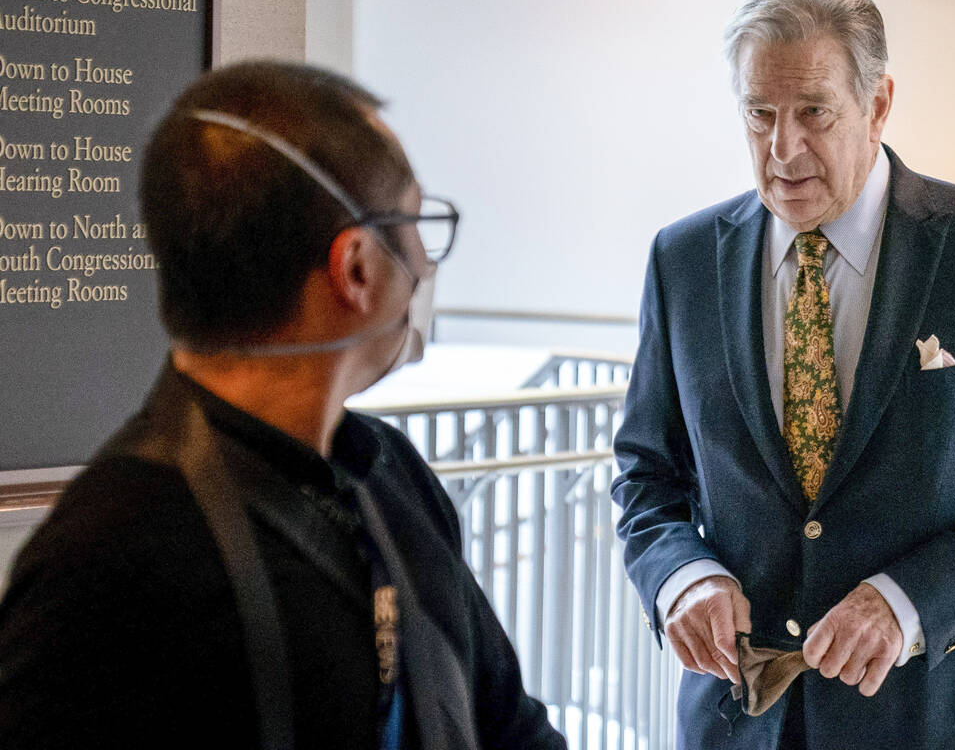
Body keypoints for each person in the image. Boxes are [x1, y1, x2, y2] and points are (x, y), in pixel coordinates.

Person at [0, 61, 566, 750]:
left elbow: (509, 725)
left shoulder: (393, 477)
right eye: (415, 222)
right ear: (356, 267)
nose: (426, 260)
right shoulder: (105, 558)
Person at [611, 0, 955, 750]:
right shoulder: (680, 261)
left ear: (878, 104)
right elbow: (646, 476)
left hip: (950, 717)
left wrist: (906, 602)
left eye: (814, 113)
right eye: (759, 115)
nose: (783, 148)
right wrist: (681, 576)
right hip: (742, 723)